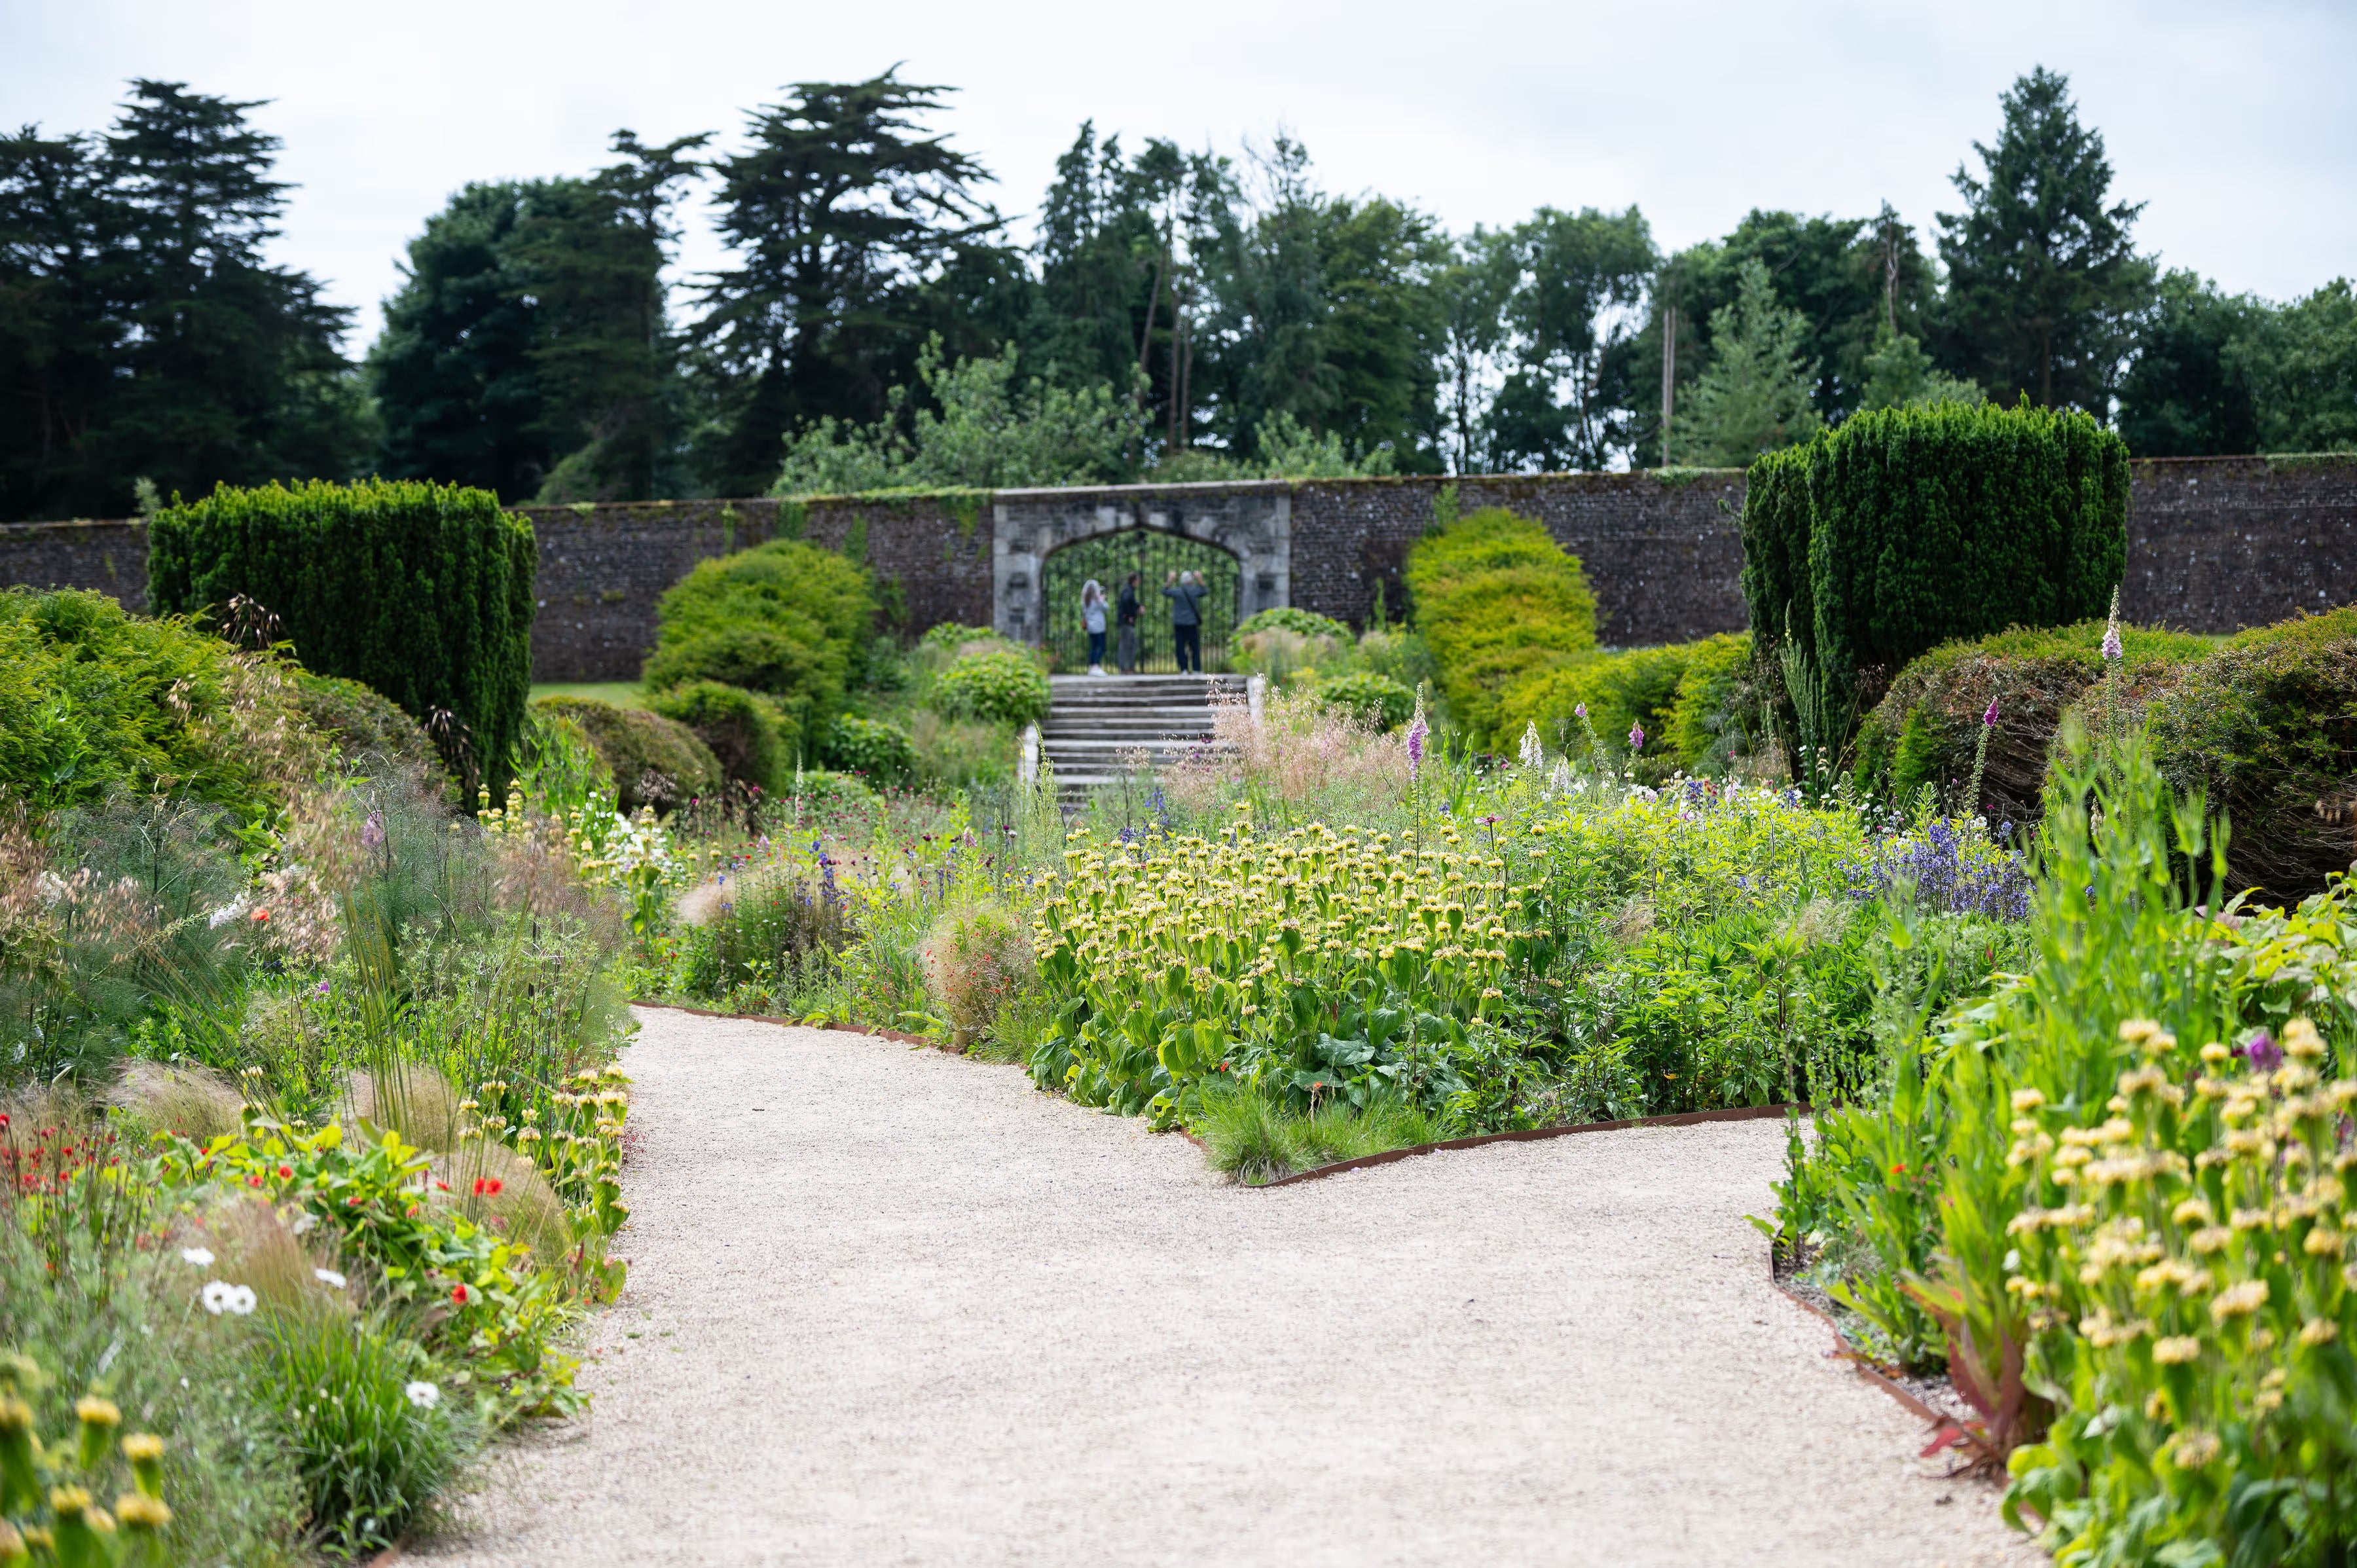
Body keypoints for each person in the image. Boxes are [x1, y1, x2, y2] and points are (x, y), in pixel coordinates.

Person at [1163, 569, 1205, 673]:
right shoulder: (1194, 590)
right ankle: (1196, 669)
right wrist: (1200, 579)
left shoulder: (1178, 591)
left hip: (1179, 624)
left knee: (1180, 647)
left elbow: (1164, 591)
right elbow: (1205, 591)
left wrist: (1170, 579)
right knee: (1194, 647)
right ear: (1191, 580)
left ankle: (1184, 669)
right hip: (1192, 623)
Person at [1082, 579, 1108, 675]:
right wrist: (1102, 600)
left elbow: (1084, 612)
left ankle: (1091, 667)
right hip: (1099, 627)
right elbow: (1106, 608)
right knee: (1101, 646)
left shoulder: (1086, 601)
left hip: (1091, 627)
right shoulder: (1097, 601)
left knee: (1093, 647)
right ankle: (1095, 666)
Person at [1115, 573, 1141, 674]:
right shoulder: (1128, 590)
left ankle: (1129, 667)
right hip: (1126, 622)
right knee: (1126, 644)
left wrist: (1138, 606)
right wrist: (1129, 616)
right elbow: (1126, 601)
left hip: (1126, 622)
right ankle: (1125, 668)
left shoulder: (1128, 590)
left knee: (1132, 643)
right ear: (1134, 580)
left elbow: (1130, 602)